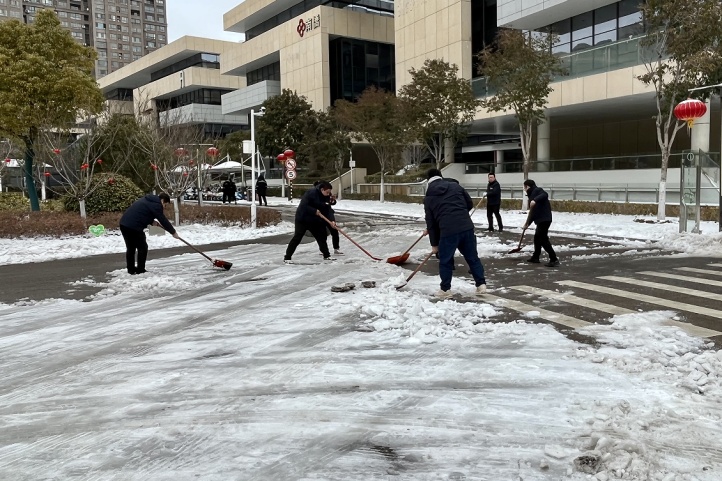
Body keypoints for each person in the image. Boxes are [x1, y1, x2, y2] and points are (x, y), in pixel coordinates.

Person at [423, 168, 487, 299]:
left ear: (428, 180)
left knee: (445, 261)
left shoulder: (429, 197)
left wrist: (434, 244)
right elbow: (469, 203)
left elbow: (431, 223)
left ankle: (445, 290)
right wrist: (460, 213)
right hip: (466, 226)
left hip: (448, 231)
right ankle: (481, 285)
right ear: (441, 176)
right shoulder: (455, 186)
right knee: (472, 257)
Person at [119, 193, 179, 275]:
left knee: (131, 248)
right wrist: (173, 232)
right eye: (165, 205)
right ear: (162, 201)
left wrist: (151, 221)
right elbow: (163, 220)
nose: (164, 207)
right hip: (134, 226)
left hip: (124, 224)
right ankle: (140, 269)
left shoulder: (148, 200)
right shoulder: (157, 205)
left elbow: (142, 213)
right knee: (143, 247)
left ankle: (131, 269)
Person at [284, 181, 336, 264]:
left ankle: (326, 256)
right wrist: (314, 211)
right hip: (303, 218)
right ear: (322, 189)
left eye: (329, 192)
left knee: (321, 237)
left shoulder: (327, 196)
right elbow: (303, 205)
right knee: (297, 237)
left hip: (315, 220)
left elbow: (328, 209)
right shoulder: (310, 193)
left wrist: (332, 220)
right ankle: (287, 257)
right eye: (327, 192)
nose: (328, 194)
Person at [523, 179, 559, 267]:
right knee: (537, 238)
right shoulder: (531, 195)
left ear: (527, 186)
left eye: (525, 187)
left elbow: (545, 195)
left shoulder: (537, 190)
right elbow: (533, 212)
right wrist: (527, 223)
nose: (524, 189)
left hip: (545, 219)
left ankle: (554, 259)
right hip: (540, 220)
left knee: (543, 239)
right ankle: (536, 257)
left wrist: (535, 200)